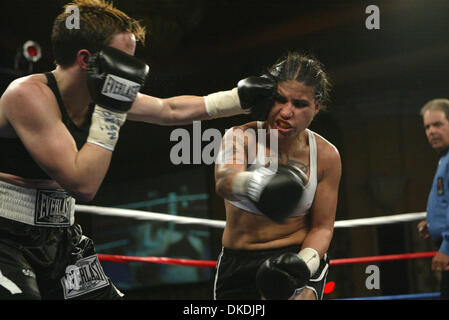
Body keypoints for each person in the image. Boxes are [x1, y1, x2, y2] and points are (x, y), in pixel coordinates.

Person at [0, 0, 268, 300]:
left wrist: (239, 99)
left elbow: (169, 109)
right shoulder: (28, 96)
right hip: (6, 237)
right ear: (87, 59)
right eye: (123, 61)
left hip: (61, 237)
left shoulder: (97, 94)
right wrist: (112, 110)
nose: (131, 73)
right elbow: (83, 184)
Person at [213, 52, 341, 300]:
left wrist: (302, 265)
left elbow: (322, 227)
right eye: (279, 99)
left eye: (300, 104)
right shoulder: (239, 137)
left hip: (296, 255)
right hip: (238, 263)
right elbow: (224, 181)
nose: (286, 112)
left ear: (316, 106)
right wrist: (259, 185)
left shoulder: (327, 156)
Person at [417, 98, 449, 300]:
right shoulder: (444, 158)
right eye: (427, 127)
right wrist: (433, 224)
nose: (431, 131)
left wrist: (446, 248)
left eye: (437, 124)